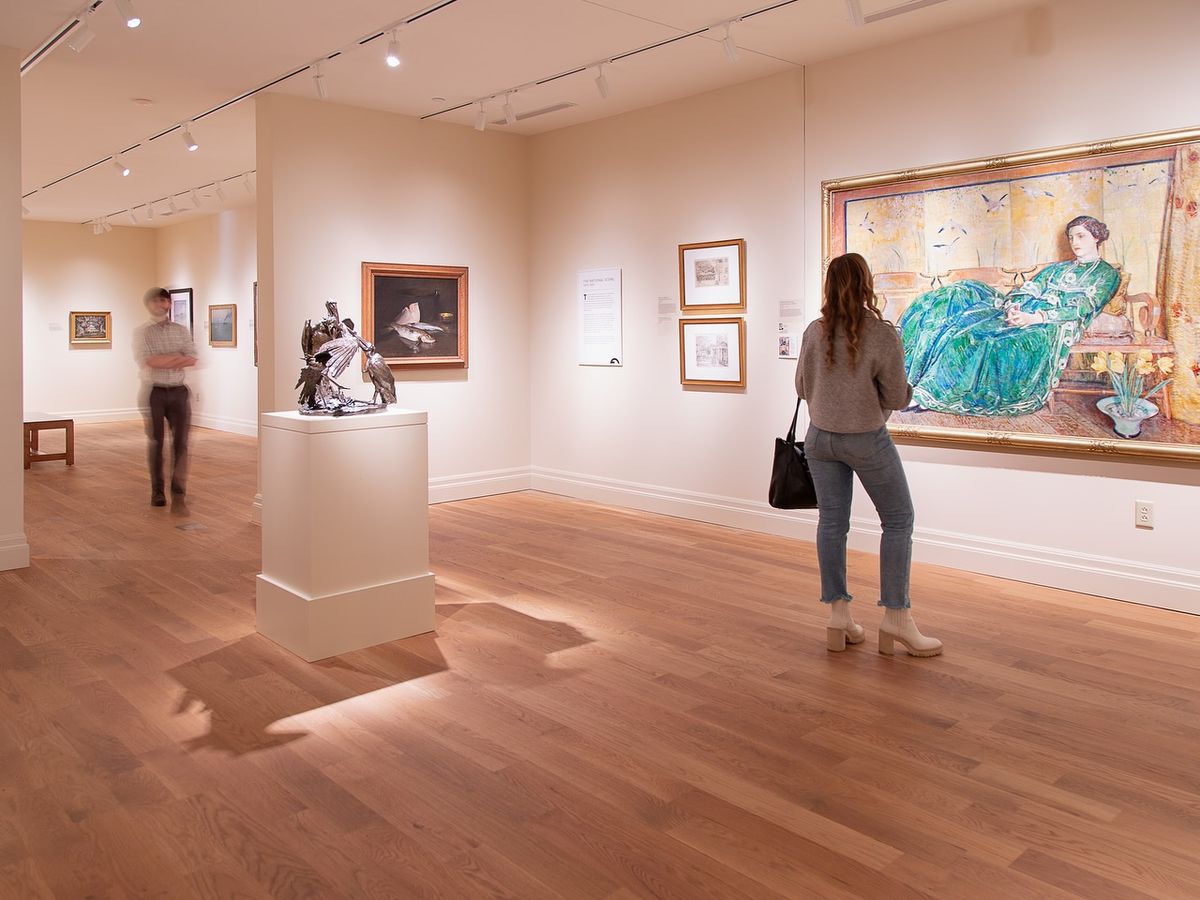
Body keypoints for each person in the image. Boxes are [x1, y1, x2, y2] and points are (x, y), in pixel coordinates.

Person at [796, 253, 942, 657]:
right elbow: (896, 396)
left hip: (820, 439)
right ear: (866, 284)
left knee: (832, 523)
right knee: (898, 521)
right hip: (866, 439)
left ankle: (838, 616)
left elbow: (802, 388)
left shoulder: (814, 331)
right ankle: (896, 619)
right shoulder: (882, 334)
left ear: (829, 285)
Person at [900, 215, 1121, 416]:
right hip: (1023, 313)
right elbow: (1028, 289)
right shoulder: (1058, 269)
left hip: (1053, 325)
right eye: (1072, 237)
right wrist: (1014, 308)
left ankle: (933, 396)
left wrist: (1034, 318)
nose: (1075, 242)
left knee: (988, 341)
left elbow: (1081, 308)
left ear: (1096, 237)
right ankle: (920, 386)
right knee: (964, 319)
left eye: (1081, 236)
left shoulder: (1107, 274)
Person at [134, 287, 197, 507]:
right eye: (155, 301)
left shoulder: (180, 330)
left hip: (178, 391)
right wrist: (176, 358)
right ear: (148, 305)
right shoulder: (142, 332)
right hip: (155, 391)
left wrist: (164, 359)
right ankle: (157, 491)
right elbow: (147, 360)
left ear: (169, 303)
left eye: (163, 300)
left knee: (181, 442)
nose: (160, 305)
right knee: (156, 442)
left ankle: (178, 486)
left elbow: (192, 358)